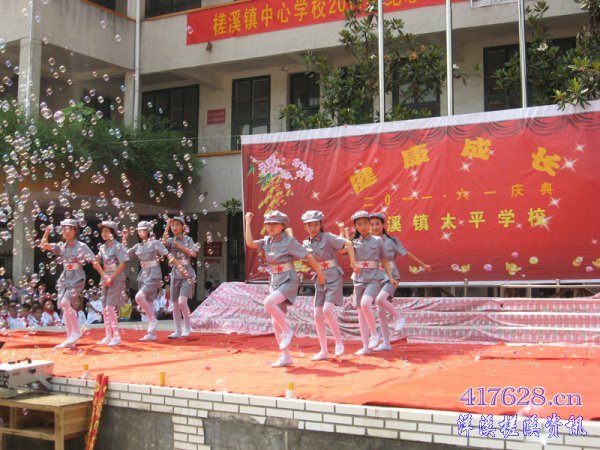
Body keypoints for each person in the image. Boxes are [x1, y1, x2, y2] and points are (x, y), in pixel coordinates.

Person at [245, 210, 325, 368]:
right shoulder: (267, 241)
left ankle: (287, 331)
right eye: (268, 224)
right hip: (275, 280)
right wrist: (247, 222)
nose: (270, 227)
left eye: (275, 224)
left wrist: (320, 274)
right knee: (275, 321)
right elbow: (250, 243)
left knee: (268, 303)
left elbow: (308, 256)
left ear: (283, 226)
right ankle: (286, 357)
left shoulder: (289, 241)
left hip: (289, 279)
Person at [369, 212, 431, 351]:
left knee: (380, 300)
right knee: (380, 311)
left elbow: (406, 254)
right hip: (376, 276)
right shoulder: (369, 242)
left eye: (377, 224)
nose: (374, 227)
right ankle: (386, 343)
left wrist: (423, 264)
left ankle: (399, 317)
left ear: (383, 225)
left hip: (391, 276)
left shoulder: (392, 241)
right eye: (371, 224)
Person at [40, 219, 106, 348]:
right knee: (64, 307)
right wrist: (47, 231)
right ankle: (70, 340)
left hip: (77, 277)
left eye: (70, 228)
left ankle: (76, 331)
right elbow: (44, 245)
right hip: (65, 277)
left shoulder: (81, 246)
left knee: (65, 302)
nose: (66, 231)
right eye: (64, 229)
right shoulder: (61, 246)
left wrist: (104, 275)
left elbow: (94, 261)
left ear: (75, 230)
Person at [301, 210, 356, 361]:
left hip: (333, 277)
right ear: (305, 227)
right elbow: (305, 261)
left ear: (320, 224)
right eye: (309, 225)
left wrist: (352, 262)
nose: (313, 228)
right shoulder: (306, 243)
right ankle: (324, 351)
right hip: (319, 279)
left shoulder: (328, 237)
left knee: (327, 310)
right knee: (317, 315)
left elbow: (348, 243)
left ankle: (339, 342)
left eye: (315, 224)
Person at [123, 221, 187, 341]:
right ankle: (151, 333)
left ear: (148, 231)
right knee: (149, 302)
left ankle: (153, 319)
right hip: (143, 274)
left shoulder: (155, 243)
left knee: (138, 297)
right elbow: (124, 255)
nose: (140, 232)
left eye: (143, 230)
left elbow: (168, 255)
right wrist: (124, 238)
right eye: (139, 230)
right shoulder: (138, 246)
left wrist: (180, 266)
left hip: (154, 274)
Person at [348, 211, 397, 356]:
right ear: (355, 227)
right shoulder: (353, 242)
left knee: (365, 303)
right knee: (360, 313)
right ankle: (365, 346)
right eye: (359, 224)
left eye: (365, 223)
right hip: (358, 279)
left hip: (375, 278)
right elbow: (345, 252)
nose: (363, 226)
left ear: (369, 224)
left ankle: (374, 334)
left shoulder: (377, 240)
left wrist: (390, 277)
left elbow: (384, 259)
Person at [95, 221, 130, 346]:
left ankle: (116, 335)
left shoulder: (118, 246)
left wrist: (111, 278)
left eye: (106, 231)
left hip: (116, 278)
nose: (103, 233)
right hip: (105, 277)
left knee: (110, 307)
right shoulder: (102, 247)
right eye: (102, 231)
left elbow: (123, 263)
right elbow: (97, 260)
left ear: (113, 233)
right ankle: (108, 335)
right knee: (104, 308)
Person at [162, 216, 197, 339]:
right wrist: (167, 226)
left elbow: (194, 253)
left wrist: (180, 246)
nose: (174, 227)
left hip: (187, 273)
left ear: (183, 227)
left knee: (182, 302)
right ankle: (177, 330)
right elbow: (163, 243)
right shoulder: (170, 240)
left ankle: (187, 327)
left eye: (177, 225)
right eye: (173, 225)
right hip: (175, 273)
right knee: (175, 304)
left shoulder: (189, 239)